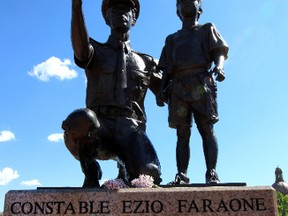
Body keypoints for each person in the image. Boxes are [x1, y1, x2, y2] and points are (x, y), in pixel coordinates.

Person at [62, 0, 162, 187]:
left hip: (131, 130)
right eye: (114, 10)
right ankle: (90, 171)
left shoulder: (147, 62)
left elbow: (168, 93)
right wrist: (77, 6)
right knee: (81, 120)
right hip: (100, 128)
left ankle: (125, 171)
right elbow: (81, 49)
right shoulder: (95, 51)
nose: (120, 13)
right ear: (106, 18)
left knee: (148, 174)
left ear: (134, 19)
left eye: (125, 9)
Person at [157, 0, 228, 184]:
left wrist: (219, 67)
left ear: (200, 8)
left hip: (201, 82)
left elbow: (219, 50)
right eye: (181, 1)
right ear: (177, 11)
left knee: (206, 128)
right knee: (182, 132)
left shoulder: (207, 29)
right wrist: (161, 90)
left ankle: (211, 172)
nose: (186, 2)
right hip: (178, 86)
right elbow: (165, 69)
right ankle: (182, 174)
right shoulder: (172, 39)